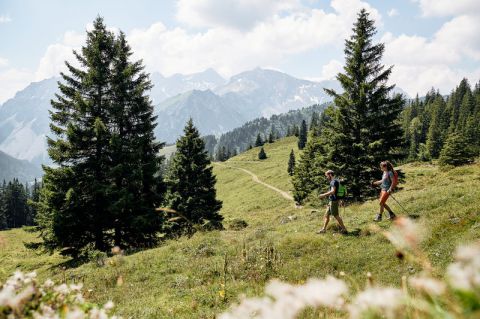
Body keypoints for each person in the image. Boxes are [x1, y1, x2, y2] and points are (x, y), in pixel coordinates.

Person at [317, 170, 348, 234]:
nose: (327, 177)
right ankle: (323, 229)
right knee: (327, 215)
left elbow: (333, 191)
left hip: (333, 201)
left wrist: (323, 195)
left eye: (327, 176)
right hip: (332, 201)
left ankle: (344, 229)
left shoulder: (333, 182)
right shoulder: (337, 180)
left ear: (330, 175)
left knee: (336, 215)